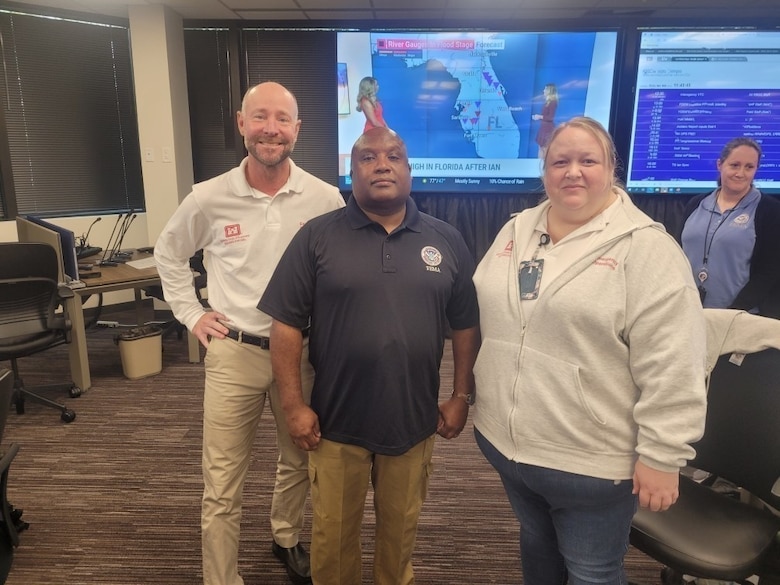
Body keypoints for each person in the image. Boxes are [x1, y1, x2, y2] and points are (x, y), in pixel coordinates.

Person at [471, 116, 707, 585]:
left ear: (611, 169)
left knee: (591, 571)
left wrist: (662, 454)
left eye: (587, 160)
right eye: (560, 161)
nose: (572, 171)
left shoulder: (647, 250)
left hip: (591, 463)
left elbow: (675, 359)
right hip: (508, 446)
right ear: (545, 171)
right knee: (537, 547)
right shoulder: (516, 231)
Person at [258, 127, 481, 585]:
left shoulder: (446, 239)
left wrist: (460, 394)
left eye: (395, 156)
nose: (382, 164)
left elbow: (465, 324)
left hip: (413, 423)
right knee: (333, 542)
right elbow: (284, 325)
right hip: (336, 424)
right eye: (368, 158)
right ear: (352, 172)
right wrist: (294, 405)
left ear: (409, 170)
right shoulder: (317, 238)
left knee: (399, 539)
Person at [154, 81, 346, 585]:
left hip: (301, 356)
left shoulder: (325, 199)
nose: (271, 129)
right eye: (260, 117)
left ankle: (286, 537)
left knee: (300, 460)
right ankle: (221, 577)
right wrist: (193, 315)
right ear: (242, 124)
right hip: (233, 353)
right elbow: (169, 254)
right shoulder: (208, 197)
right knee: (221, 480)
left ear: (297, 130)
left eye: (282, 119)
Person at [679, 136, 780, 318]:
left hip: (739, 316)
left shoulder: (770, 210)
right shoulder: (696, 204)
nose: (740, 173)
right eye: (734, 165)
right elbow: (677, 256)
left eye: (749, 167)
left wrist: (734, 312)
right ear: (720, 165)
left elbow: (769, 271)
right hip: (688, 311)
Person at [532, 83, 559, 158]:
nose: (543, 91)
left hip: (548, 129)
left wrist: (539, 116)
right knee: (541, 148)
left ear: (549, 91)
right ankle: (538, 166)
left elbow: (550, 117)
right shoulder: (548, 102)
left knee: (545, 150)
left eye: (545, 89)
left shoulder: (553, 102)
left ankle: (545, 167)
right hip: (543, 127)